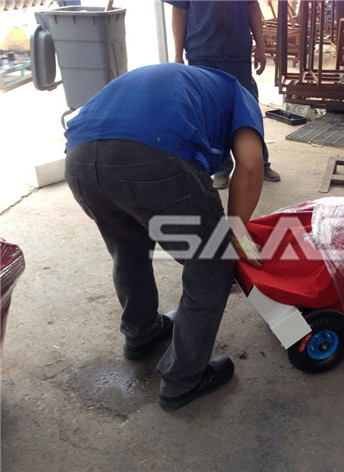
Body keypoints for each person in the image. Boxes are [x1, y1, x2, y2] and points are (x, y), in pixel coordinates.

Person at [64, 63, 265, 410]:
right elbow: (249, 164)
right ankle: (183, 379)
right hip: (152, 156)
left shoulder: (181, 81)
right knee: (212, 265)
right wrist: (236, 236)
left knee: (129, 249)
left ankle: (141, 333)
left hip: (79, 160)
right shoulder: (240, 94)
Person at [166, 0, 281, 189]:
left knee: (248, 110)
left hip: (238, 52)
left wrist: (260, 45)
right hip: (202, 52)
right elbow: (179, 10)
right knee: (213, 114)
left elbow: (252, 5)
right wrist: (178, 54)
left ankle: (260, 162)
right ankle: (221, 168)